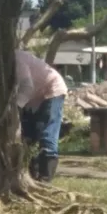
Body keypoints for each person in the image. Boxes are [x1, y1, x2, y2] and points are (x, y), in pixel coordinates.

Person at [15, 49, 68, 183]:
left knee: (47, 132)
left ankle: (45, 177)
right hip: (34, 97)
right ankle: (33, 174)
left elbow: (27, 87)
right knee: (28, 135)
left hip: (52, 89)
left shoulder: (16, 59)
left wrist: (15, 107)